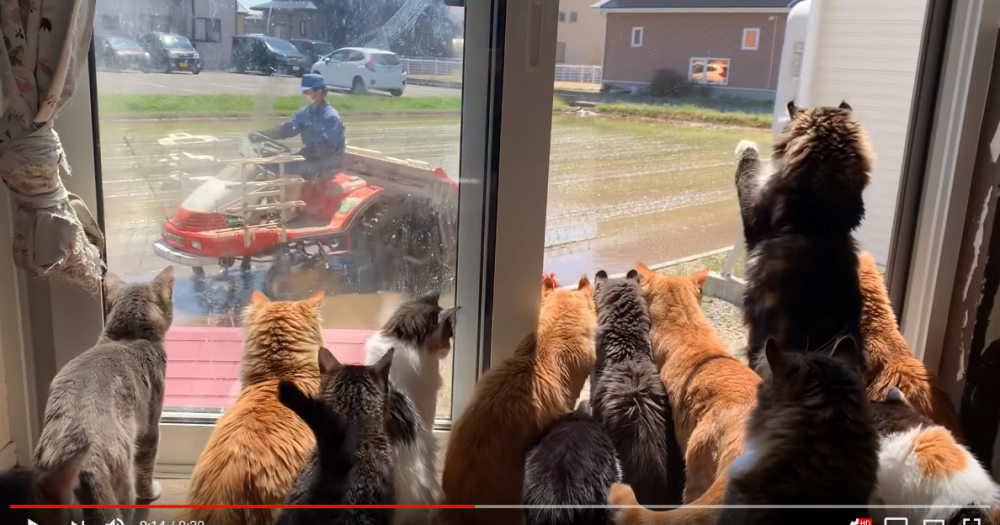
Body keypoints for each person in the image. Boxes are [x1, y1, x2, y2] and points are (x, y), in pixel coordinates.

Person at [249, 73, 346, 181]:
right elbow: (287, 129)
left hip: (326, 164)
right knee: (270, 164)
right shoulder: (305, 112)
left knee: (283, 167)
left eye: (306, 91)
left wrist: (296, 156)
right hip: (309, 157)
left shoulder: (330, 117)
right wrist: (263, 134)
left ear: (318, 92)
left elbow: (327, 148)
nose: (303, 94)